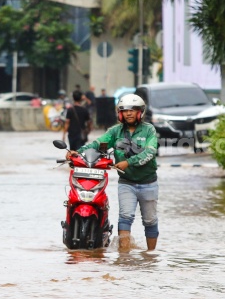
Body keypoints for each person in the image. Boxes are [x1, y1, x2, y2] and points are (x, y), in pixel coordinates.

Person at [65, 94, 159, 251]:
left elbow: (150, 153)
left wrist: (129, 162)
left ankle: (151, 256)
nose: (128, 113)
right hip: (126, 183)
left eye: (133, 110)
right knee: (125, 217)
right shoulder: (115, 132)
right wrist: (78, 152)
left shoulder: (149, 130)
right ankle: (124, 257)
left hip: (148, 183)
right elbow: (97, 144)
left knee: (149, 221)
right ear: (120, 113)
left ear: (140, 112)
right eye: (125, 110)